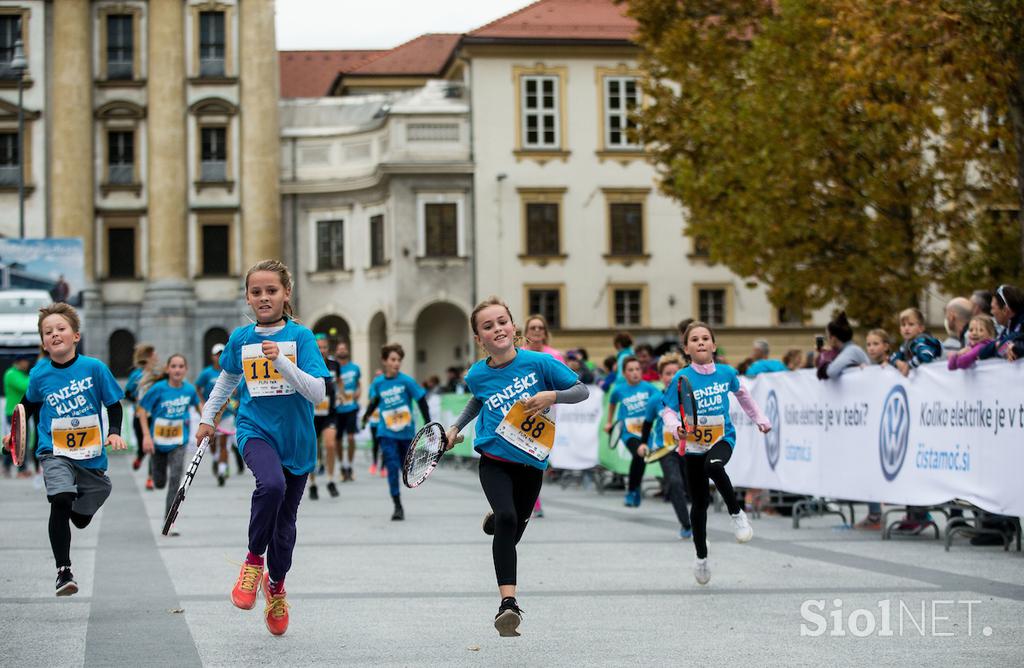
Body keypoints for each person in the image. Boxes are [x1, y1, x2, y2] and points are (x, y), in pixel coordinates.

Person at [195, 259, 331, 636]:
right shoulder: (241, 338)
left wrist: (283, 363)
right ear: (248, 297)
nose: (264, 297)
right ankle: (253, 563)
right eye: (256, 291)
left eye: (271, 290)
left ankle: (276, 587)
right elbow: (226, 382)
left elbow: (318, 393)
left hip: (298, 440)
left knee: (285, 526)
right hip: (255, 429)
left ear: (286, 294)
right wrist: (208, 418)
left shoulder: (301, 338)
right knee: (270, 485)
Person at [444, 297, 587, 637]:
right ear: (480, 339)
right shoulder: (476, 374)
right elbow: (479, 398)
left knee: (514, 526)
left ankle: (499, 520)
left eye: (502, 322)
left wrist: (551, 396)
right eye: (488, 326)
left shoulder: (539, 363)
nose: (497, 329)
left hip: (531, 461)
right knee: (508, 519)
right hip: (494, 459)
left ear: (513, 327)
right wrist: (455, 428)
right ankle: (508, 605)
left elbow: (580, 391)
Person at [3, 303, 126, 595]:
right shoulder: (39, 374)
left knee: (82, 516)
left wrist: (115, 433)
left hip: (91, 456)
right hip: (54, 450)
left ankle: (78, 507)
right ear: (43, 342)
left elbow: (114, 404)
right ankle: (64, 571)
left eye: (61, 329)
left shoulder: (94, 368)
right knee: (60, 498)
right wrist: (14, 435)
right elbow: (26, 406)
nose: (54, 334)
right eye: (48, 332)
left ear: (75, 336)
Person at [663, 321, 771, 586]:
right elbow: (668, 410)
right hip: (693, 446)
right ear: (686, 348)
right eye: (694, 339)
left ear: (713, 344)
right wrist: (675, 427)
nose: (700, 342)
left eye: (705, 338)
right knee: (699, 505)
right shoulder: (681, 377)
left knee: (714, 466)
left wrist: (759, 418)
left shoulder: (726, 372)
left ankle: (737, 514)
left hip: (722, 438)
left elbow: (743, 396)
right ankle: (701, 557)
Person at [361, 343, 431, 521]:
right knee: (392, 467)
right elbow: (375, 401)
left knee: (405, 468)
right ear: (384, 361)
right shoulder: (378, 383)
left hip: (406, 433)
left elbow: (421, 399)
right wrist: (367, 415)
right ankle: (397, 505)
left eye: (399, 360)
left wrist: (429, 423)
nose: (396, 363)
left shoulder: (406, 381)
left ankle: (401, 491)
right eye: (393, 359)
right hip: (386, 433)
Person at [137, 354, 202, 531]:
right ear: (168, 369)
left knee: (176, 479)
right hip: (158, 442)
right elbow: (142, 411)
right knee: (159, 482)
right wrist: (146, 436)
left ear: (186, 370)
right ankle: (155, 471)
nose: (177, 370)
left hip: (179, 441)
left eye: (181, 366)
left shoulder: (189, 390)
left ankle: (169, 521)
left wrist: (207, 423)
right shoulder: (158, 389)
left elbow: (200, 408)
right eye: (173, 366)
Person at [639, 352, 692, 537]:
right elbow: (647, 423)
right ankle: (686, 525)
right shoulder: (655, 400)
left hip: (690, 448)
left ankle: (696, 520)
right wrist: (643, 443)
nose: (670, 377)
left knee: (691, 486)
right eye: (667, 373)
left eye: (674, 373)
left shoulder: (688, 397)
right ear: (661, 377)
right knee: (675, 484)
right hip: (665, 449)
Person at [605, 356, 659, 507]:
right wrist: (609, 422)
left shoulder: (649, 388)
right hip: (628, 432)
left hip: (646, 432)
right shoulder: (618, 390)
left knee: (641, 458)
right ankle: (633, 491)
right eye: (631, 370)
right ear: (624, 373)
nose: (635, 372)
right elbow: (612, 403)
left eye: (637, 369)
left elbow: (661, 400)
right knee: (638, 454)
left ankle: (634, 489)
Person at [196, 343, 243, 485]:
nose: (220, 357)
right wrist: (203, 403)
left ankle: (222, 471)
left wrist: (236, 401)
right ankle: (217, 460)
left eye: (222, 354)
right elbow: (197, 388)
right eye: (217, 354)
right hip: (211, 415)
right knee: (213, 443)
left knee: (224, 444)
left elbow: (239, 393)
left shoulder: (233, 371)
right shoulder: (206, 373)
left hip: (227, 415)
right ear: (212, 357)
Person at [307, 335, 339, 500]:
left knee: (330, 444)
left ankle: (330, 480)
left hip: (329, 413)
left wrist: (341, 394)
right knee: (313, 450)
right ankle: (312, 484)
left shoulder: (334, 365)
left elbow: (338, 382)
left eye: (325, 347)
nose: (322, 350)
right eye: (319, 347)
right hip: (312, 413)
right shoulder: (309, 364)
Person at [125, 344, 159, 487]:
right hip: (139, 416)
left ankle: (150, 478)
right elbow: (126, 393)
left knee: (153, 447)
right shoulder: (136, 375)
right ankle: (139, 457)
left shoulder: (157, 376)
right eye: (155, 355)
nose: (157, 357)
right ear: (149, 356)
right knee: (142, 447)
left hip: (154, 417)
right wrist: (137, 400)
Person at [334, 341, 361, 484]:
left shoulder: (355, 368)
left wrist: (358, 392)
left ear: (347, 351)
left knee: (350, 438)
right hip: (337, 409)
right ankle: (342, 467)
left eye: (344, 348)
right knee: (337, 439)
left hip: (351, 407)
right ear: (337, 352)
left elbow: (359, 384)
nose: (342, 350)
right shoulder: (333, 368)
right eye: (340, 348)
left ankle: (350, 466)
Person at [3, 354, 34, 478]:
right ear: (19, 362)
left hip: (20, 412)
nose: (27, 365)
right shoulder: (11, 373)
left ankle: (7, 465)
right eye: (26, 362)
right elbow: (25, 386)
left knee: (16, 442)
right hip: (13, 413)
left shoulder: (20, 373)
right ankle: (22, 469)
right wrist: (35, 376)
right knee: (20, 442)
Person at [889, 308, 943, 377]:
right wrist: (897, 362)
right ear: (900, 329)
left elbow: (926, 356)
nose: (906, 328)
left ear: (921, 328)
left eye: (911, 324)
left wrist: (908, 366)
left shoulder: (924, 341)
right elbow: (894, 356)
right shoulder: (906, 344)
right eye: (903, 325)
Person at [818, 312, 870, 379]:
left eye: (827, 336)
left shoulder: (851, 350)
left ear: (833, 338)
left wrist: (826, 356)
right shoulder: (849, 349)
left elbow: (831, 372)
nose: (827, 340)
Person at [979, 284, 1024, 361]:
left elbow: (1002, 348)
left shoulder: (1021, 323)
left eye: (993, 308)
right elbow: (982, 353)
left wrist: (1000, 345)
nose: (991, 312)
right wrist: (998, 345)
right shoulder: (1007, 328)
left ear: (1005, 310)